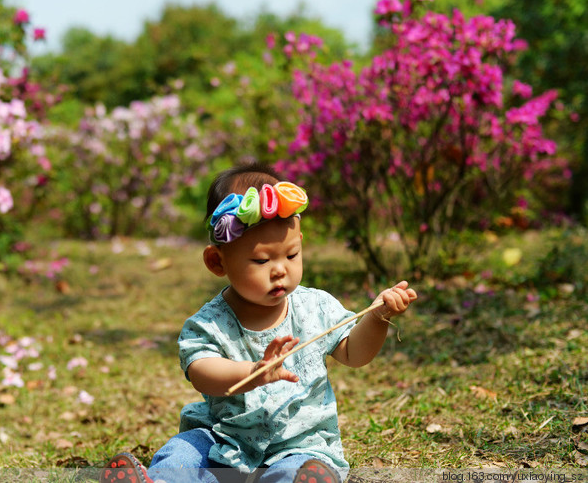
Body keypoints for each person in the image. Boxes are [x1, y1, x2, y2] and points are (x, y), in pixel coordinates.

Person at [100, 162, 417, 483]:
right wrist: (253, 373)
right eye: (262, 260)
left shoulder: (315, 306)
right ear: (217, 261)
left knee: (295, 470)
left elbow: (353, 353)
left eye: (291, 255)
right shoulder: (210, 323)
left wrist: (378, 318)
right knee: (183, 451)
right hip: (223, 442)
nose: (280, 269)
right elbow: (201, 373)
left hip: (297, 444)